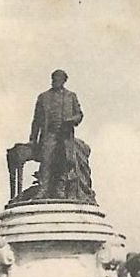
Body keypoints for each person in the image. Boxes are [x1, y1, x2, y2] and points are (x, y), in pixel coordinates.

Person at [29, 70, 94, 203]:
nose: (56, 81)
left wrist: (71, 120)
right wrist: (33, 138)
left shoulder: (71, 96)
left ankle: (61, 189)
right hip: (49, 134)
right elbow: (36, 119)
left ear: (64, 80)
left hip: (65, 135)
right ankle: (43, 190)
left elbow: (79, 115)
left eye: (59, 78)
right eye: (54, 78)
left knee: (64, 162)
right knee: (46, 161)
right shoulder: (43, 97)